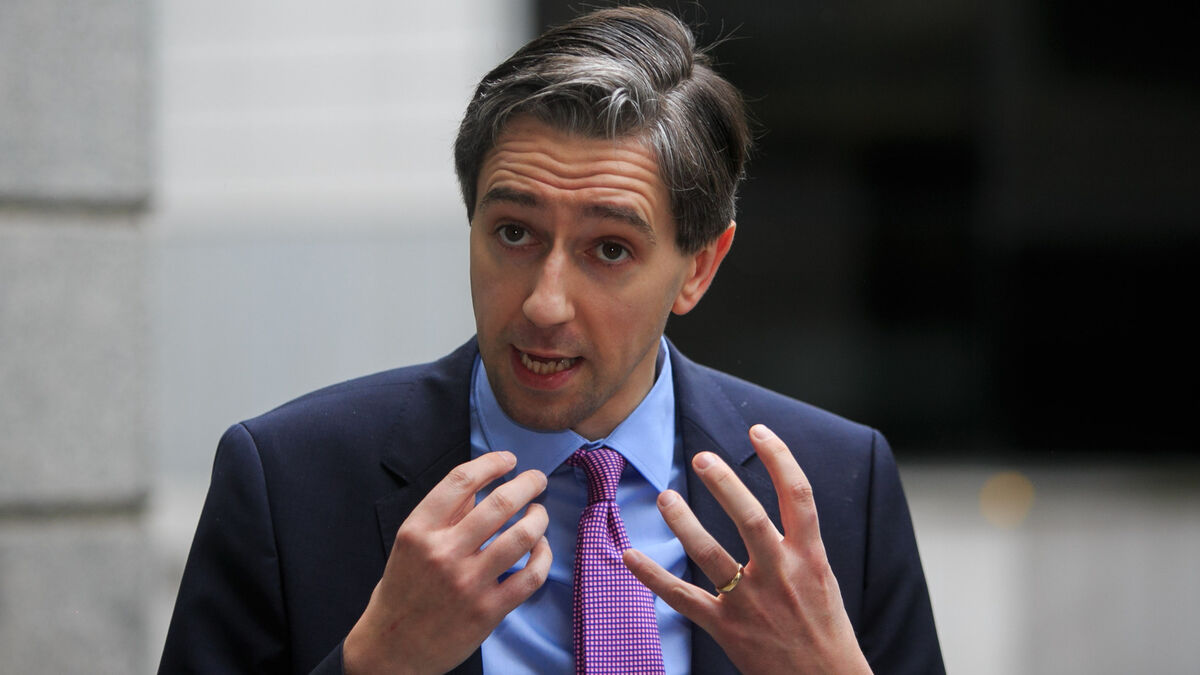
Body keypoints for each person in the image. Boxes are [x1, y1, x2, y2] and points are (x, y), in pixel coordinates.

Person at [159, 7, 943, 674]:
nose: (544, 303)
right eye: (513, 232)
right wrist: (375, 661)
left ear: (699, 268)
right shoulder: (287, 482)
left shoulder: (841, 486)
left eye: (610, 249)